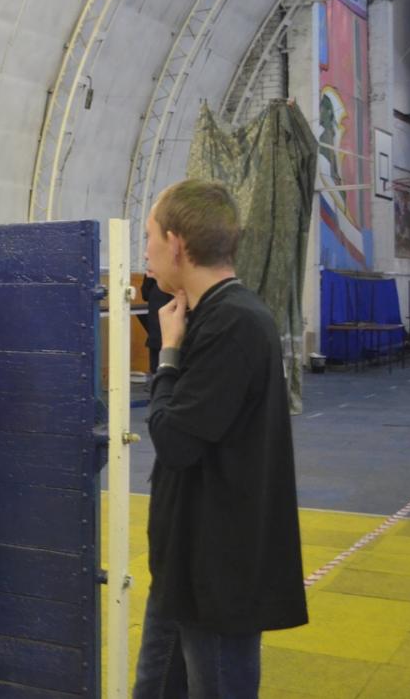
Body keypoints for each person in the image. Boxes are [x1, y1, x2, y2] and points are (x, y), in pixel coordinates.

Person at [135, 179, 307, 698]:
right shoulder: (211, 316)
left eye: (149, 238)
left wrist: (167, 354)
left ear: (177, 243)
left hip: (215, 572)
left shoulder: (233, 323)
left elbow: (175, 440)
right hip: (185, 565)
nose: (145, 252)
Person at [135, 272, 173, 374]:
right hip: (176, 329)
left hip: (156, 325)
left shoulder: (153, 269)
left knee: (156, 362)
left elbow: (145, 294)